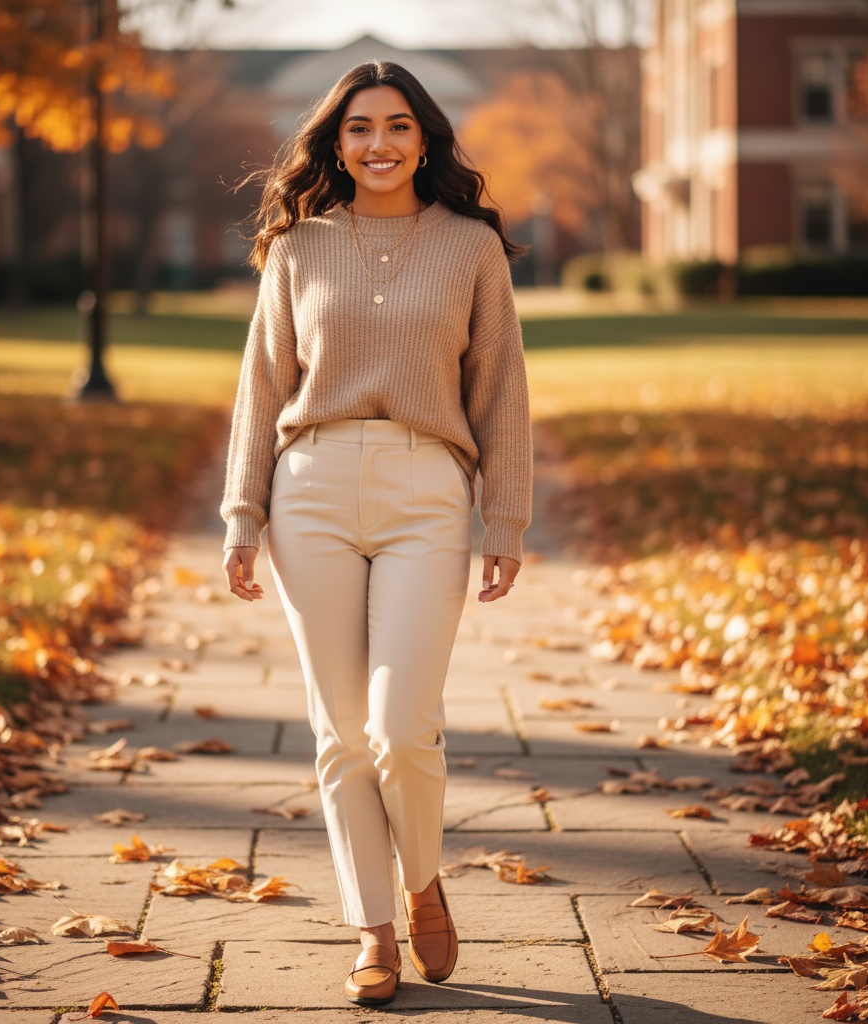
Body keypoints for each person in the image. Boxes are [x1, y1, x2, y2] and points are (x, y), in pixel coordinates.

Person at [220, 60, 532, 1007]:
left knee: (403, 729)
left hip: (426, 489)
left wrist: (505, 520)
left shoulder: (472, 247)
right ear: (336, 142)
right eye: (360, 128)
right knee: (342, 733)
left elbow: (503, 392)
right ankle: (375, 929)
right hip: (309, 489)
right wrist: (244, 514)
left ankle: (424, 874)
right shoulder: (300, 247)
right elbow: (261, 386)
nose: (380, 144)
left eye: (399, 126)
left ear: (425, 138)